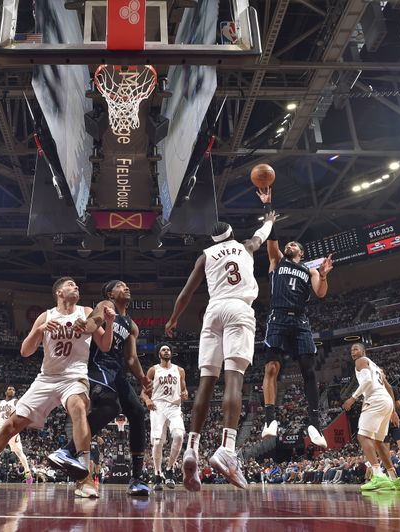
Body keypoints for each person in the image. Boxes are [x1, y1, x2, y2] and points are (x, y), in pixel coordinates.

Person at [0, 277, 114, 498]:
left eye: (77, 285)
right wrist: (39, 330)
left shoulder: (86, 311)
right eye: (70, 284)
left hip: (74, 377)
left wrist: (109, 323)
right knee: (9, 426)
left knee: (78, 408)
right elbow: (25, 351)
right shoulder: (46, 316)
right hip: (46, 379)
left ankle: (84, 479)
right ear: (59, 292)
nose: (76, 287)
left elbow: (105, 345)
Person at [165, 213, 277, 491]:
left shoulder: (204, 256)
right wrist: (270, 220)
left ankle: (192, 447)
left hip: (212, 312)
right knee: (234, 379)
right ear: (230, 233)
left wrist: (173, 318)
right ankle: (227, 448)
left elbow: (186, 293)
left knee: (206, 381)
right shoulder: (245, 246)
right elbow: (260, 236)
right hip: (239, 309)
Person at [48, 280, 153, 496]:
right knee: (110, 407)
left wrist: (143, 378)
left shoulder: (132, 325)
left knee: (137, 411)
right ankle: (66, 451)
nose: (126, 287)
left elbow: (131, 358)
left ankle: (137, 478)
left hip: (117, 371)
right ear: (110, 293)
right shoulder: (106, 305)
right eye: (120, 286)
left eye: (127, 285)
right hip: (97, 366)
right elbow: (94, 320)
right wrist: (83, 326)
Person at [257, 188, 333, 448]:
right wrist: (268, 208)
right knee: (271, 368)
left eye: (294, 245)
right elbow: (272, 240)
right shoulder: (277, 261)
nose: (289, 245)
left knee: (308, 371)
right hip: (277, 318)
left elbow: (320, 294)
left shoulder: (309, 270)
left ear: (301, 252)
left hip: (300, 321)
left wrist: (323, 276)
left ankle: (314, 423)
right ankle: (270, 419)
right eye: (288, 243)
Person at [342, 343, 400, 491]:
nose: (353, 352)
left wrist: (353, 398)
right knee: (378, 442)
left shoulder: (360, 361)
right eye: (351, 350)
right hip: (386, 401)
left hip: (375, 399)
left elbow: (368, 382)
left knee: (363, 436)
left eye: (356, 349)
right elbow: (389, 387)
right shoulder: (376, 366)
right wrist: (393, 411)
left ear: (363, 351)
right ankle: (394, 479)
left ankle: (378, 476)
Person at [141, 344, 189, 490]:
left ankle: (169, 469)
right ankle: (157, 474)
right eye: (163, 349)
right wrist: (148, 400)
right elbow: (143, 392)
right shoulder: (153, 370)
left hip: (174, 406)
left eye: (168, 349)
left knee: (179, 435)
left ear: (171, 353)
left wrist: (185, 393)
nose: (166, 351)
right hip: (158, 406)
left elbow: (184, 389)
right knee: (157, 443)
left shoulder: (179, 370)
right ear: (159, 354)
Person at [0, 386, 32, 485]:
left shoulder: (16, 402)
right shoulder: (0, 403)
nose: (12, 390)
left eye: (14, 390)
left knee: (19, 453)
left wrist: (14, 414)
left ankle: (27, 472)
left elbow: (22, 413)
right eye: (10, 389)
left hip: (11, 429)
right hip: (0, 428)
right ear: (6, 392)